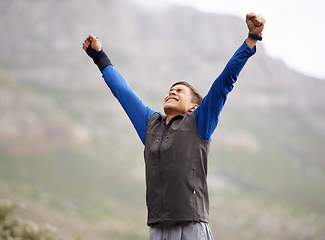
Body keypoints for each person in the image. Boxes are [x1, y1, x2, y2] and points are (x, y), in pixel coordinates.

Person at [83, 13, 265, 240]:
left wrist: (252, 38)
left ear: (193, 107)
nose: (172, 92)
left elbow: (225, 81)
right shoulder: (151, 125)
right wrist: (98, 54)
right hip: (158, 227)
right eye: (171, 89)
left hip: (192, 225)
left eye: (180, 91)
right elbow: (123, 91)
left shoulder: (200, 122)